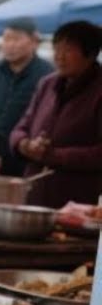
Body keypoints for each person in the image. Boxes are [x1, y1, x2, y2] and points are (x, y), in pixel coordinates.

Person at [10, 20, 102, 208]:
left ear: (91, 54)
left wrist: (54, 155)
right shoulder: (47, 84)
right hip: (35, 194)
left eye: (68, 50)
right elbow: (21, 127)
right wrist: (25, 145)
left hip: (79, 201)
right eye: (56, 49)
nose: (59, 57)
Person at [0, 17, 55, 176]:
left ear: (34, 41)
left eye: (16, 39)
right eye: (6, 39)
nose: (10, 45)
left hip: (29, 161)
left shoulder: (48, 77)